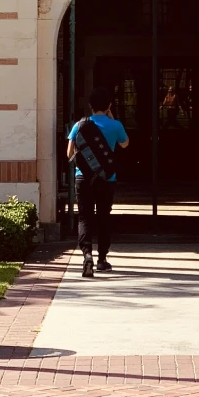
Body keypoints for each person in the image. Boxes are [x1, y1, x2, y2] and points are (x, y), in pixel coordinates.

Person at [66, 86, 130, 277]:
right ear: (109, 105)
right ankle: (102, 259)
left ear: (90, 106)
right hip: (107, 178)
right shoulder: (116, 125)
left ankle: (87, 256)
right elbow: (125, 144)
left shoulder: (80, 125)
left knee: (85, 217)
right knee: (104, 217)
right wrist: (111, 120)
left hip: (82, 178)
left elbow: (69, 153)